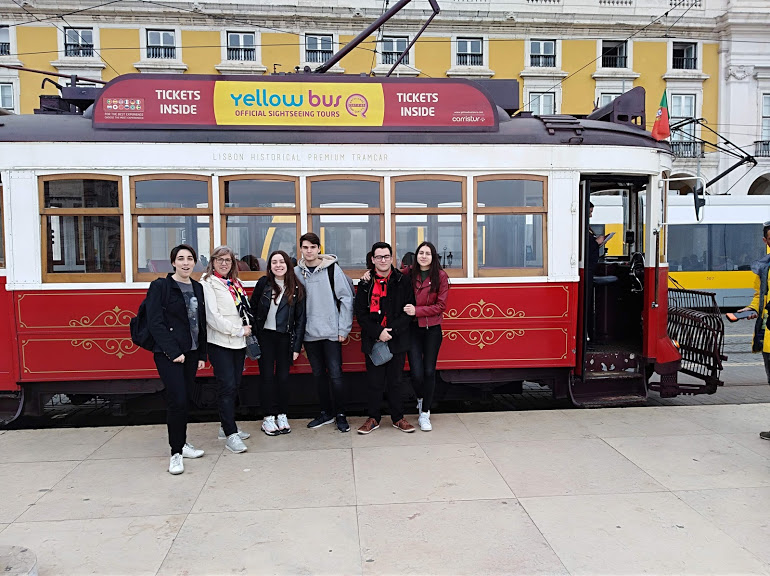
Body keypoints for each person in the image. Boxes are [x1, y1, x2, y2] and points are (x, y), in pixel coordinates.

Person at [146, 244, 207, 475]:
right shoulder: (160, 286)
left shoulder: (197, 287)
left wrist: (201, 354)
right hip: (169, 354)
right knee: (177, 400)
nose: (185, 263)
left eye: (189, 258)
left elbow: (200, 323)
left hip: (191, 353)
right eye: (181, 258)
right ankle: (176, 453)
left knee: (186, 399)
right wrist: (173, 352)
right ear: (173, 262)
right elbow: (155, 322)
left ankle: (182, 443)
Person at [295, 233, 355, 433]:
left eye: (313, 247)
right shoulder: (296, 272)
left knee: (336, 375)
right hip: (309, 334)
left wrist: (343, 328)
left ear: (319, 248)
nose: (309, 251)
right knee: (318, 375)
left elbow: (346, 298)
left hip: (331, 333)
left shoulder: (332, 269)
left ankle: (341, 415)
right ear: (301, 249)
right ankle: (326, 413)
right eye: (305, 247)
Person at [354, 242, 416, 434]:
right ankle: (373, 418)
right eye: (379, 257)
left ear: (391, 258)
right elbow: (360, 314)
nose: (383, 260)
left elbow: (408, 311)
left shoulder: (403, 281)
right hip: (373, 339)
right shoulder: (365, 283)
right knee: (374, 382)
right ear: (373, 260)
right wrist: (378, 332)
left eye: (386, 256)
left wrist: (390, 331)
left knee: (396, 380)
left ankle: (398, 418)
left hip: (397, 338)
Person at [200, 245, 251, 454]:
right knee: (227, 386)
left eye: (227, 260)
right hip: (220, 342)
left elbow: (243, 310)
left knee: (235, 384)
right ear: (212, 262)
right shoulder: (208, 283)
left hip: (238, 343)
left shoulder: (235, 283)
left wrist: (246, 328)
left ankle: (226, 426)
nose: (223, 263)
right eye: (219, 259)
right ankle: (231, 434)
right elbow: (212, 317)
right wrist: (238, 330)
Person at [250, 250, 306, 436]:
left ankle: (282, 415)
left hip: (285, 338)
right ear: (270, 266)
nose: (278, 265)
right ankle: (268, 417)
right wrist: (253, 334)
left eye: (282, 262)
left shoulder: (296, 288)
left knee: (283, 378)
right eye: (274, 262)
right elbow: (253, 309)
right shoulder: (263, 283)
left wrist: (296, 346)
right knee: (266, 377)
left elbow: (300, 320)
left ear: (288, 265)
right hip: (265, 337)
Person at [404, 242, 450, 431]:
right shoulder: (408, 273)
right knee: (416, 372)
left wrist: (417, 311)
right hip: (412, 330)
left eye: (428, 253)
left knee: (429, 371)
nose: (424, 256)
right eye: (421, 253)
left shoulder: (441, 276)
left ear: (433, 257)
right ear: (416, 255)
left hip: (432, 330)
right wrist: (369, 273)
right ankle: (421, 399)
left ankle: (425, 413)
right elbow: (388, 276)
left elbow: (441, 306)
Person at [735, 221, 770, 440]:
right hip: (768, 337)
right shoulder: (763, 267)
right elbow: (760, 296)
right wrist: (752, 308)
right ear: (766, 241)